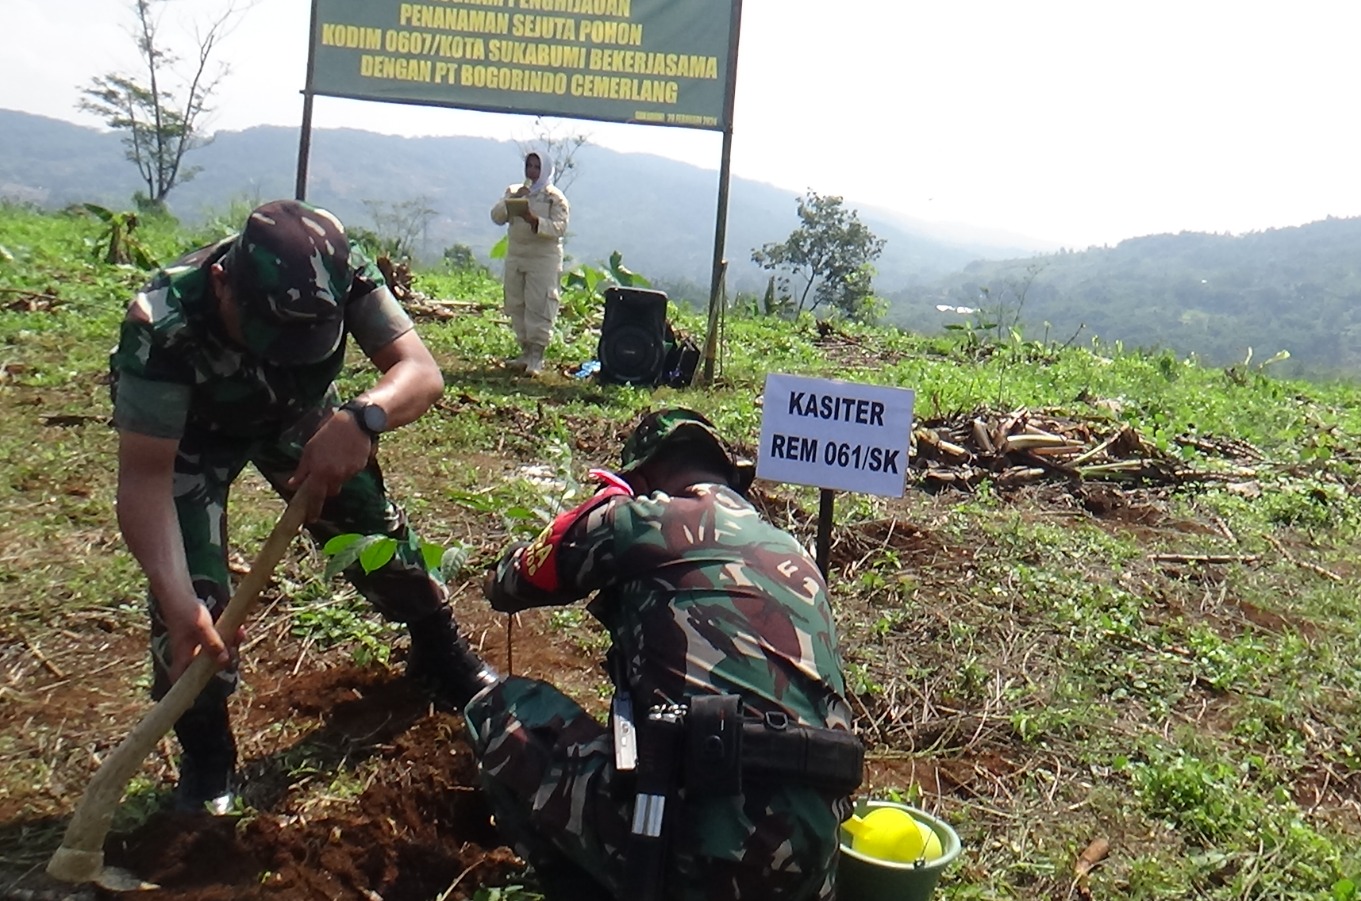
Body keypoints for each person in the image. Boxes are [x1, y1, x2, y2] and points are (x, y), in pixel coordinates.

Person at [109, 199, 498, 814]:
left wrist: (363, 417)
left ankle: (438, 649)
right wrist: (175, 597)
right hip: (194, 438)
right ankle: (207, 756)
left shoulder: (338, 269)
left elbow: (420, 371)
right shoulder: (163, 323)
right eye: (271, 332)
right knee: (192, 608)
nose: (284, 349)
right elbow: (145, 480)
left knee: (376, 537)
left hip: (305, 419)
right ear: (222, 283)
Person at [467, 409, 864, 900]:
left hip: (694, 860)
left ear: (642, 477)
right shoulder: (795, 554)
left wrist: (602, 511)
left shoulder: (640, 520)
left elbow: (511, 583)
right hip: (811, 864)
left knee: (500, 710)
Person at [491, 149, 570, 373]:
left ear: (545, 169)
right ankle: (524, 352)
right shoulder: (514, 191)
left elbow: (560, 227)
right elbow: (497, 216)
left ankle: (537, 355)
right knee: (517, 303)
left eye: (537, 167)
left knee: (539, 304)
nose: (532, 171)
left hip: (543, 259)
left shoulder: (554, 197)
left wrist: (535, 221)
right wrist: (514, 201)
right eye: (529, 166)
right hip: (517, 255)